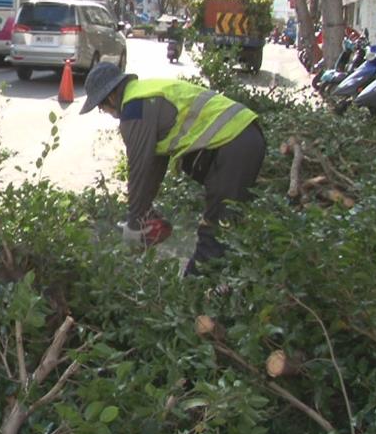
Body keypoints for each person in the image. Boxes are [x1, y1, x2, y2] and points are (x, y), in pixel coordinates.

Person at [80, 62, 266, 276]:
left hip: (235, 145)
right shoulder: (145, 95)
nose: (105, 112)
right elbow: (154, 166)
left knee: (214, 235)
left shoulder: (134, 108)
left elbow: (139, 169)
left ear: (111, 97)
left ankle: (198, 292)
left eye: (101, 107)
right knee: (228, 226)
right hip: (242, 140)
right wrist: (144, 212)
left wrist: (133, 225)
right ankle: (230, 281)